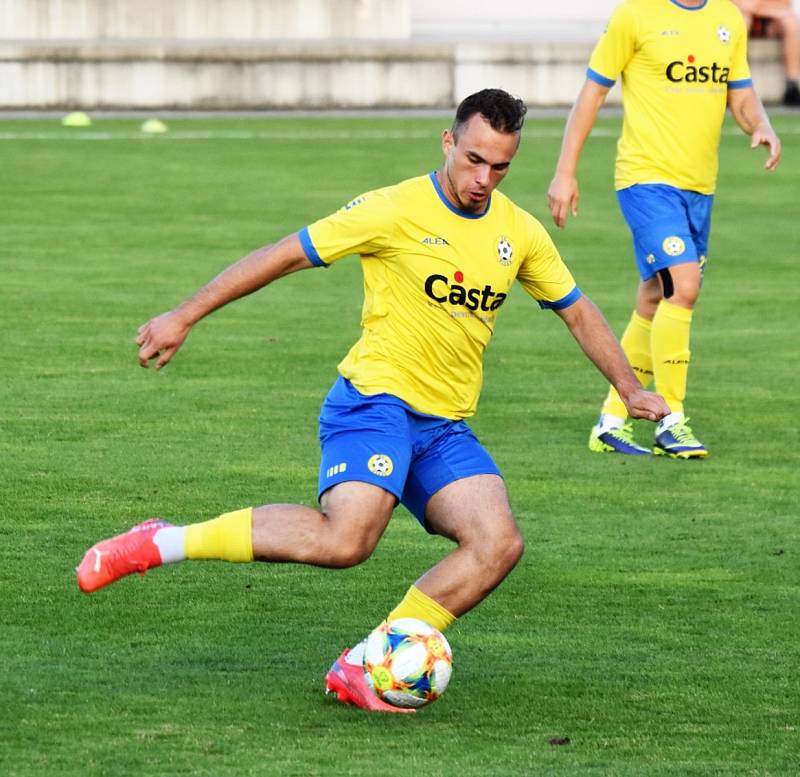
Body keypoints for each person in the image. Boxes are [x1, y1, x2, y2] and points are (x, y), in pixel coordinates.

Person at [76, 88, 669, 713]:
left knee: (498, 545)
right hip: (374, 401)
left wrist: (628, 387)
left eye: (500, 167)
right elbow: (284, 254)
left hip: (443, 425)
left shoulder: (517, 232)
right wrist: (185, 314)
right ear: (447, 142)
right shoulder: (393, 209)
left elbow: (576, 311)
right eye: (473, 160)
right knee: (347, 541)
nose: (483, 179)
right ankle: (164, 540)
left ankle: (364, 664)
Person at [548, 0, 781, 459]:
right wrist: (565, 171)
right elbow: (592, 92)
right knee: (685, 286)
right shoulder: (636, 14)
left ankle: (612, 420)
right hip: (646, 181)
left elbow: (742, 94)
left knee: (655, 298)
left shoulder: (727, 20)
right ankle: (671, 418)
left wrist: (763, 125)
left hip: (699, 189)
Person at [732, 0, 800, 105]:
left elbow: (785, 4)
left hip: (770, 12)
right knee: (743, 22)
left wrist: (761, 7)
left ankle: (792, 86)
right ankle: (734, 82)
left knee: (791, 24)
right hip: (745, 12)